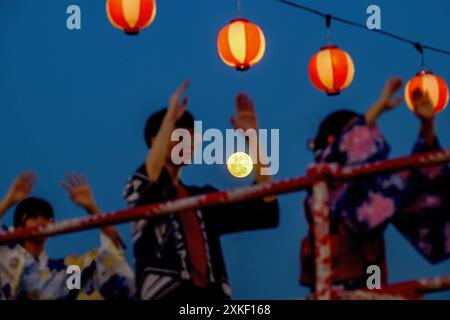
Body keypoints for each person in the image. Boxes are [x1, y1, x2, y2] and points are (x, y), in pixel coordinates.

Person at [124, 81, 279, 301]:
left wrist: (254, 141)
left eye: (193, 138)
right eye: (180, 136)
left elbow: (265, 204)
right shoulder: (139, 188)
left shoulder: (202, 198)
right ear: (156, 139)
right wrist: (169, 119)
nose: (190, 144)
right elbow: (150, 179)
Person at [300, 77, 450, 291]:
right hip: (334, 283)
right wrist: (378, 108)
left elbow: (413, 179)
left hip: (372, 275)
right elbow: (342, 151)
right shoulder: (322, 182)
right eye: (362, 131)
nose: (364, 140)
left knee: (375, 291)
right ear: (334, 141)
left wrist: (427, 124)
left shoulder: (371, 186)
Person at [0, 172, 135, 300]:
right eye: (34, 217)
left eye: (47, 217)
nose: (41, 222)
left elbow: (113, 247)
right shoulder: (6, 256)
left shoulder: (67, 269)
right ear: (18, 227)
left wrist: (91, 207)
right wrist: (8, 201)